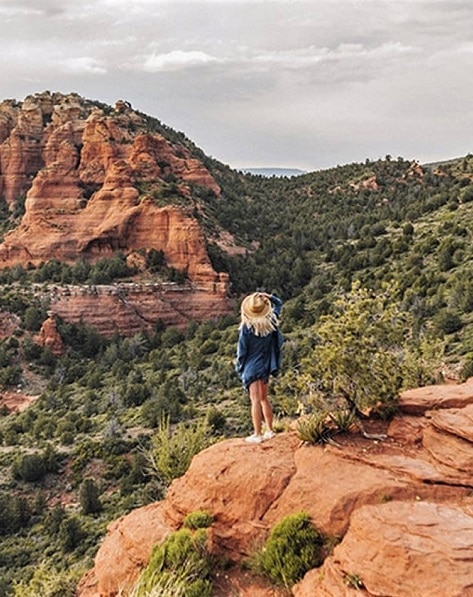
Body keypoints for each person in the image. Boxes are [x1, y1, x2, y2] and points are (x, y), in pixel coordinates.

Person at [236, 291, 284, 443]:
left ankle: (257, 434)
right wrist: (268, 297)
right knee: (264, 398)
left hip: (252, 367)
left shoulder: (247, 327)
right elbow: (279, 304)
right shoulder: (271, 321)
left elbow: (242, 351)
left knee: (255, 400)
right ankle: (269, 430)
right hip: (266, 365)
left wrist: (239, 367)